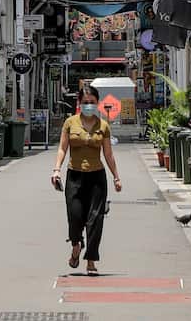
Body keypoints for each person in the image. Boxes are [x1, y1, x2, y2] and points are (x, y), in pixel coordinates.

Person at [50, 86, 121, 274]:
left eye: (92, 102)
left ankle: (91, 259)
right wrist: (56, 170)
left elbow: (108, 154)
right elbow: (62, 149)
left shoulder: (103, 126)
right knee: (75, 217)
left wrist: (116, 177)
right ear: (79, 103)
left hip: (97, 177)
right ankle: (76, 245)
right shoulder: (70, 123)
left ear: (97, 103)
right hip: (75, 176)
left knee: (95, 219)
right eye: (85, 102)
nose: (88, 105)